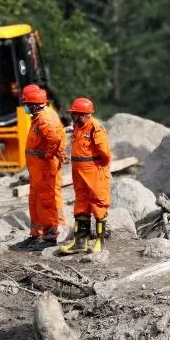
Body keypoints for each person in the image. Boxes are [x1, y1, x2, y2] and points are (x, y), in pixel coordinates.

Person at [15, 85, 65, 251]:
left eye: (27, 104)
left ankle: (50, 237)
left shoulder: (44, 119)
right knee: (36, 201)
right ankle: (36, 234)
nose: (25, 107)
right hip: (37, 170)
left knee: (45, 201)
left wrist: (47, 154)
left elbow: (55, 139)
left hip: (44, 168)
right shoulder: (41, 117)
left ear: (35, 105)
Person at [60, 98, 111, 255]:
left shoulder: (95, 128)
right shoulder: (78, 127)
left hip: (94, 172)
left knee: (98, 204)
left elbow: (105, 154)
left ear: (83, 115)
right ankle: (80, 242)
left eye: (74, 114)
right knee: (81, 205)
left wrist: (97, 168)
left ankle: (99, 242)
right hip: (79, 173)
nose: (72, 116)